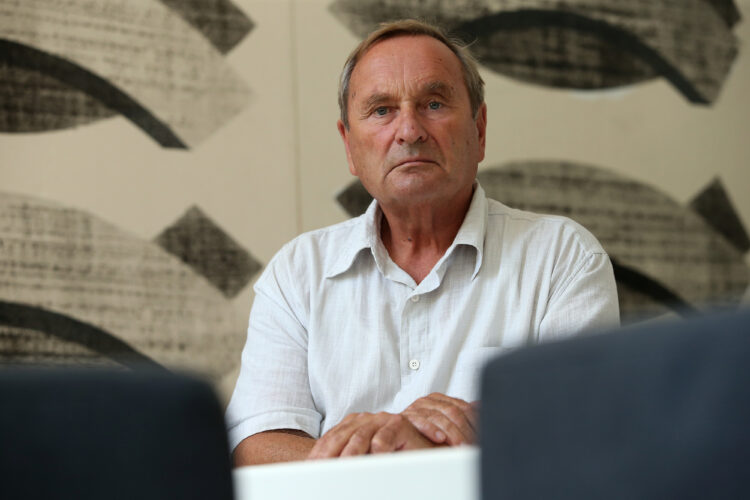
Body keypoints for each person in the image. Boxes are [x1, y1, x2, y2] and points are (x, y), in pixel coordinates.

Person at [226, 19, 619, 466]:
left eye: (433, 104)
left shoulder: (562, 258)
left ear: (479, 130)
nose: (409, 131)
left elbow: (580, 429)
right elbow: (256, 446)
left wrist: (372, 451)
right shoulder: (298, 273)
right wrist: (393, 450)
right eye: (381, 110)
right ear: (349, 146)